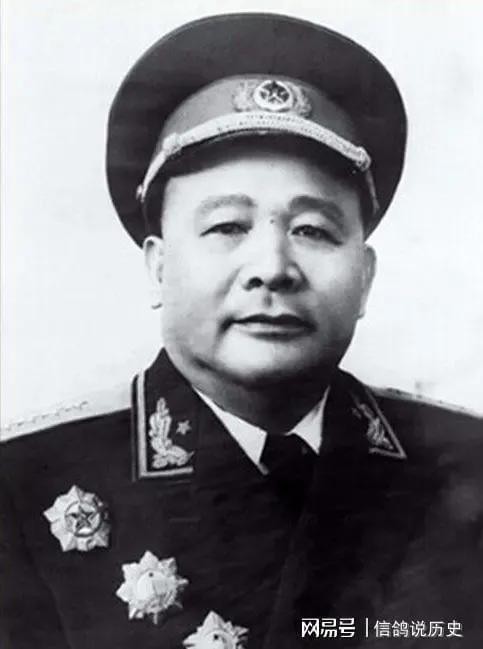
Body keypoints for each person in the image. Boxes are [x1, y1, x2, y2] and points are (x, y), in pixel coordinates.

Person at [1, 12, 482, 649]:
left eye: (312, 230)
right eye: (227, 226)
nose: (273, 268)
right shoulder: (23, 484)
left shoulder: (464, 463)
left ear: (364, 277)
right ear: (159, 267)